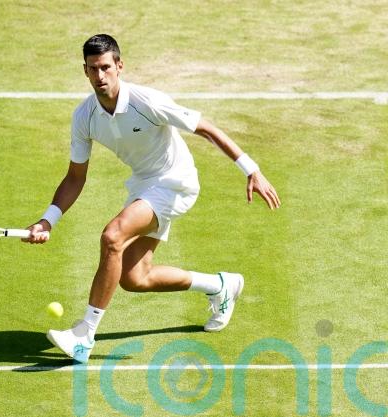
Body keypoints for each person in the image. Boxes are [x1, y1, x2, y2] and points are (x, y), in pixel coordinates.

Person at [25, 34, 281, 363]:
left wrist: (251, 169)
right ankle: (220, 286)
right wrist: (48, 220)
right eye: (93, 69)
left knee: (112, 236)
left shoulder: (147, 102)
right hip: (144, 185)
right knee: (135, 277)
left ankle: (84, 335)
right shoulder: (84, 116)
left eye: (106, 67)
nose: (100, 76)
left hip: (176, 182)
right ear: (85, 71)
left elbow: (205, 128)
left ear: (119, 66)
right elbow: (76, 177)